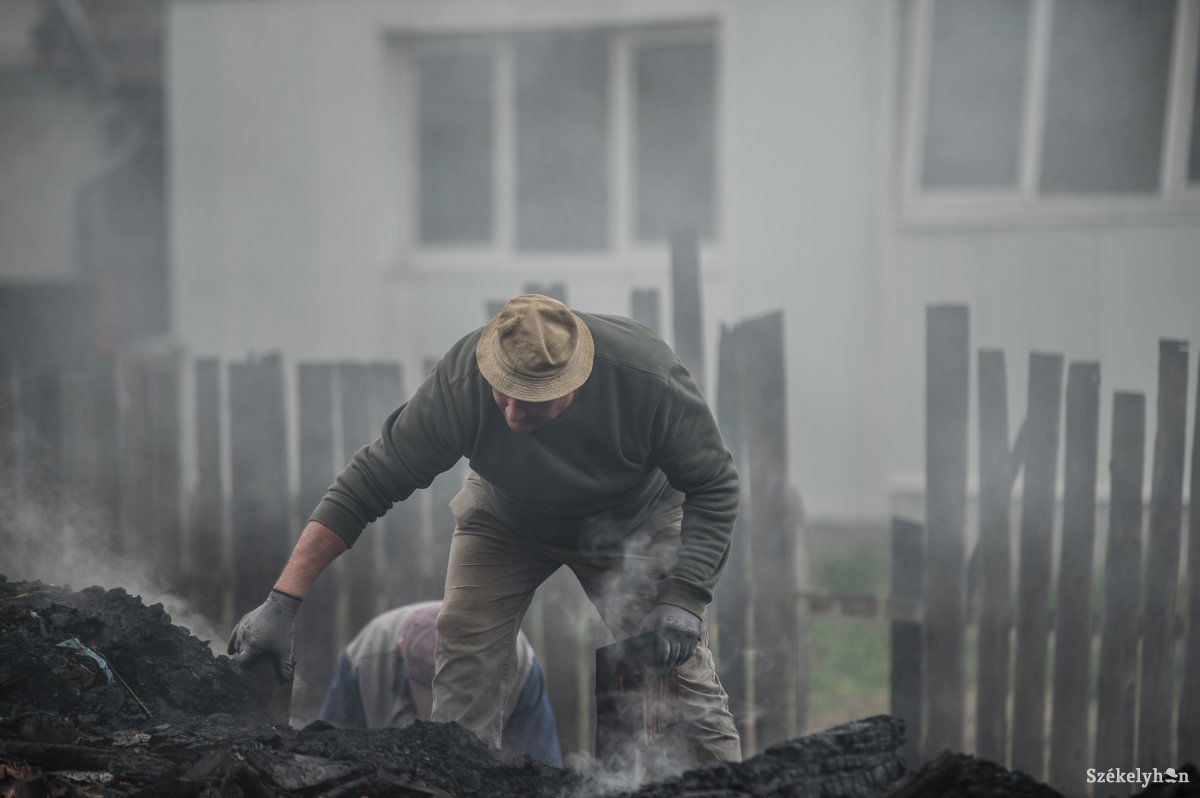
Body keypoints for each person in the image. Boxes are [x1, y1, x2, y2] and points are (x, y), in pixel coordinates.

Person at [228, 294, 742, 766]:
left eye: (532, 400)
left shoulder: (646, 379)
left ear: (574, 382)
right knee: (465, 661)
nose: (513, 413)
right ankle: (458, 780)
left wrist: (685, 597)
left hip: (634, 523)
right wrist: (283, 601)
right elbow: (368, 482)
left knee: (678, 673)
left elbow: (715, 484)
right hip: (506, 519)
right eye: (505, 394)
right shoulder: (463, 380)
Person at [316, 600, 562, 765]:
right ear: (401, 650)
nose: (433, 706)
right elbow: (328, 752)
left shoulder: (519, 663)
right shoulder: (365, 656)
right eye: (427, 690)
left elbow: (541, 769)